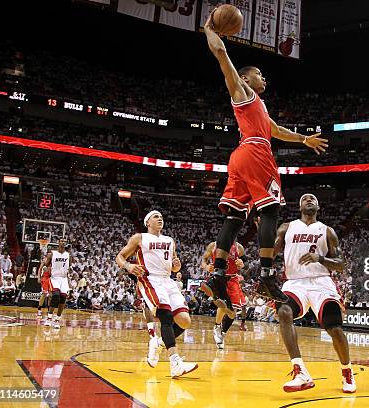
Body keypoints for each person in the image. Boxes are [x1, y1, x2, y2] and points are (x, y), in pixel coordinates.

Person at [200, 11, 328, 313]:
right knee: (270, 210)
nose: (264, 77)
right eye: (259, 73)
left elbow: (277, 130)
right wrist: (208, 29)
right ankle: (268, 274)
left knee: (234, 218)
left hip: (240, 157)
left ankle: (218, 274)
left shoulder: (258, 104)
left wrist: (304, 140)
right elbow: (220, 53)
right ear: (246, 78)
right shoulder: (242, 90)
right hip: (257, 153)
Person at [274, 194, 356, 393]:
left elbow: (341, 265)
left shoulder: (327, 231)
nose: (309, 200)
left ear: (318, 206)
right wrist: (263, 232)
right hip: (295, 282)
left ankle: (347, 371)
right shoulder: (287, 227)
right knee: (284, 311)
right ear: (299, 205)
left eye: (312, 199)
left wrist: (319, 258)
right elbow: (271, 251)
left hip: (321, 282)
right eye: (304, 199)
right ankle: (300, 370)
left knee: (334, 328)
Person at [115, 210, 197, 378]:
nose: (160, 219)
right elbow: (120, 257)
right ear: (148, 223)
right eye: (156, 217)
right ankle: (175, 363)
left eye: (161, 217)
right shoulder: (140, 238)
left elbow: (174, 266)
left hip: (168, 280)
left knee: (185, 321)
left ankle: (158, 342)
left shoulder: (169, 240)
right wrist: (129, 267)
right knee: (166, 316)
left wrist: (176, 266)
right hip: (150, 279)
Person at [201, 241, 248, 350]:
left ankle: (222, 332)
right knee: (223, 305)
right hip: (219, 278)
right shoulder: (214, 245)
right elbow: (203, 260)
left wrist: (242, 264)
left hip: (232, 279)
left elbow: (246, 264)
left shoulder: (238, 247)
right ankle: (217, 327)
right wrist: (206, 267)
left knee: (233, 313)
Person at [38, 239, 73, 329]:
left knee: (63, 298)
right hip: (55, 278)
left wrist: (69, 280)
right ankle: (49, 318)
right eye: (61, 241)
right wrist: (44, 269)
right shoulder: (52, 254)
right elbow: (45, 264)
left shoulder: (68, 255)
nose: (63, 242)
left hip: (64, 279)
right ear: (58, 243)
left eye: (65, 241)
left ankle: (57, 319)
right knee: (56, 295)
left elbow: (69, 268)